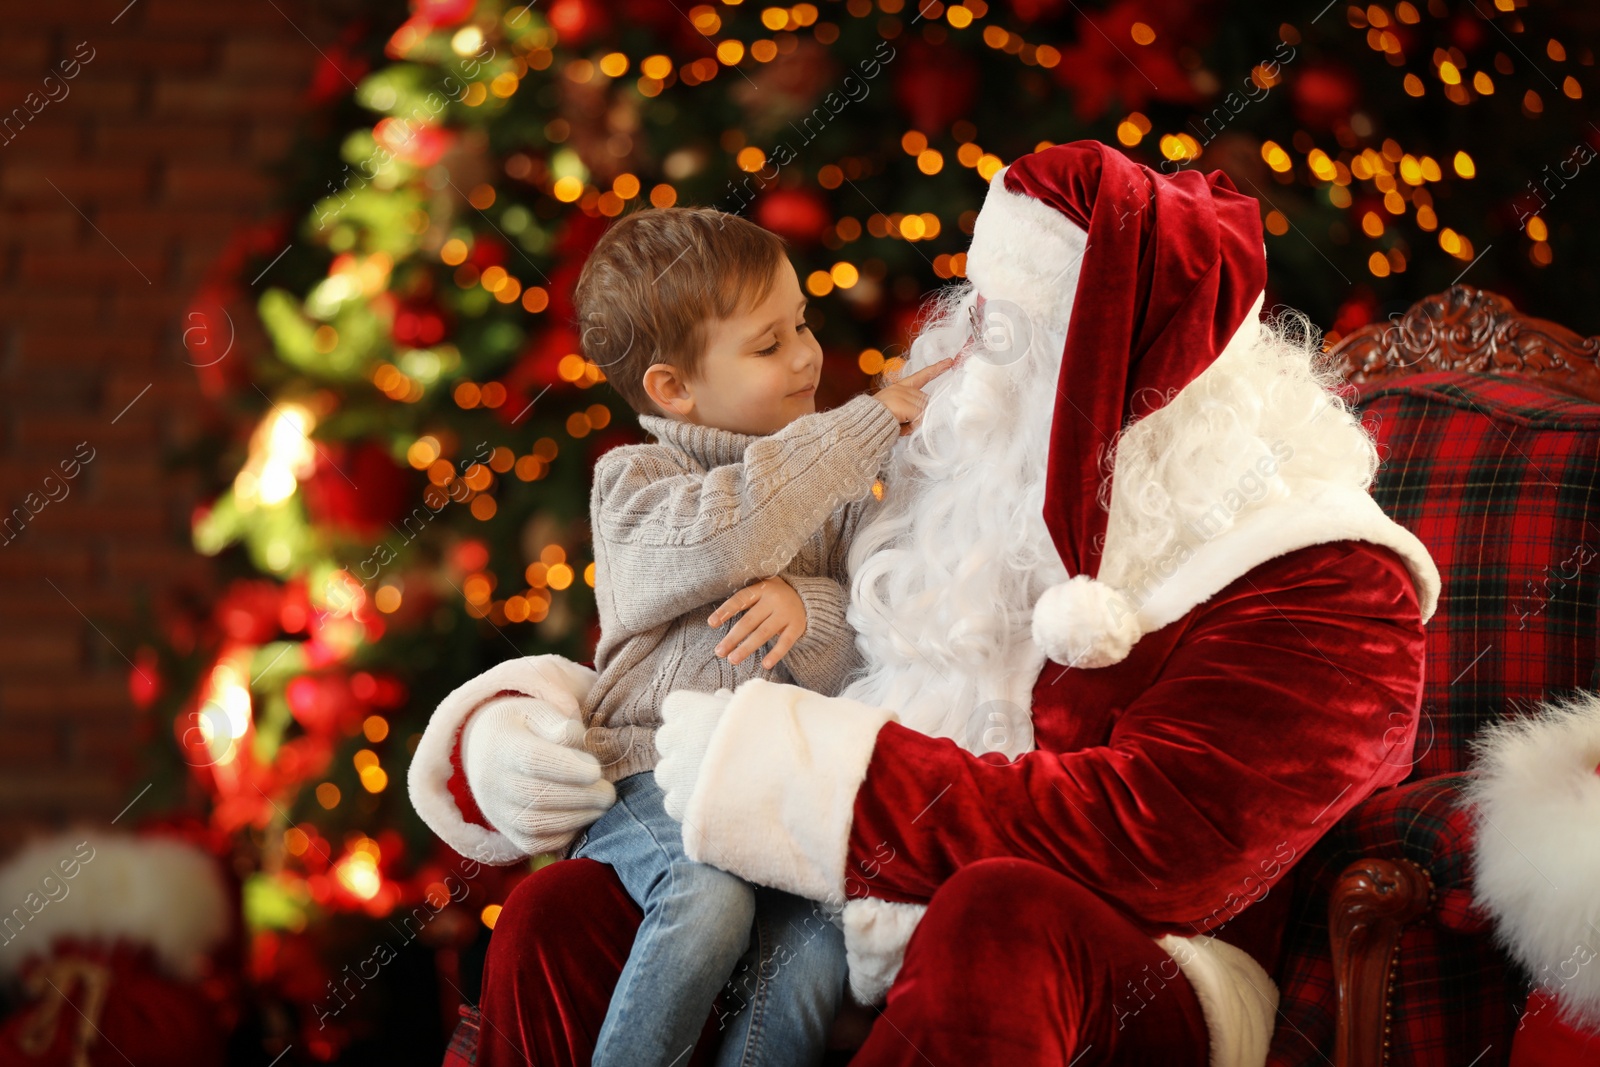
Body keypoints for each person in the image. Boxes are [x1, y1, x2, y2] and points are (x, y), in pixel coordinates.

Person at [412, 140, 1442, 1066]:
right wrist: (508, 724)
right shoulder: (946, 462)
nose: (979, 361)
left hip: (1116, 955)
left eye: (1024, 335)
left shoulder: (1316, 568)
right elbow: (691, 634)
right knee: (564, 909)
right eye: (982, 311)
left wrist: (817, 786)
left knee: (996, 915)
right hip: (830, 869)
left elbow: (1164, 839)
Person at [410, 206, 953, 1067]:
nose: (809, 354)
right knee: (705, 899)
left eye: (804, 324)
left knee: (816, 944)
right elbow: (723, 533)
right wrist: (862, 424)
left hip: (778, 786)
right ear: (672, 388)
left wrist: (810, 612)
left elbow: (873, 636)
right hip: (645, 774)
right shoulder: (637, 481)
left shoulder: (848, 493)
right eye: (770, 345)